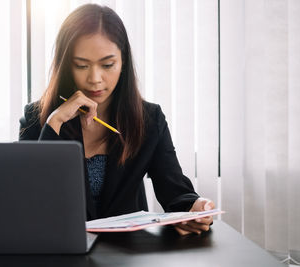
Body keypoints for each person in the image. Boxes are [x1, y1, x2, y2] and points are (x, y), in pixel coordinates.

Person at [19, 4, 215, 235]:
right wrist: (54, 124)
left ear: (123, 63)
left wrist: (195, 208)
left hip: (126, 252)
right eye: (81, 65)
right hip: (59, 248)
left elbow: (176, 192)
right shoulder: (37, 118)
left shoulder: (149, 119)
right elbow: (27, 198)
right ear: (66, 66)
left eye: (107, 65)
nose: (95, 78)